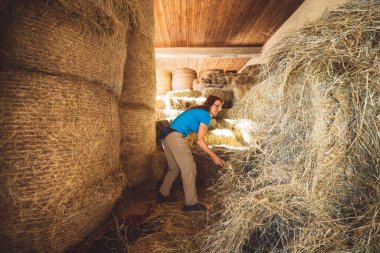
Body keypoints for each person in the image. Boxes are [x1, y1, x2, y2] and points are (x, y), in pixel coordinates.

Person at [157, 95, 226, 212]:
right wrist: (213, 155)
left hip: (166, 137)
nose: (219, 109)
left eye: (220, 107)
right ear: (210, 104)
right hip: (175, 137)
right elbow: (200, 140)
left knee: (174, 168)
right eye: (217, 106)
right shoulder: (205, 115)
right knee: (189, 168)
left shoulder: (198, 111)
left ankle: (163, 195)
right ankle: (191, 204)